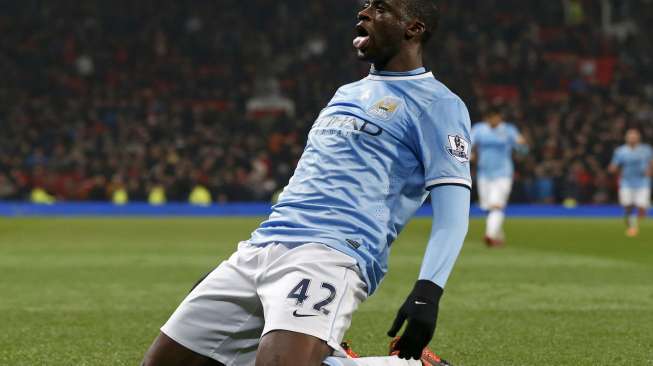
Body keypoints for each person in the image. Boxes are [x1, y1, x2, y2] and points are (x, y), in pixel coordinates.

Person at [142, 1, 471, 365]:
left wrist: (428, 291)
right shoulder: (346, 93)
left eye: (380, 8)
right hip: (263, 246)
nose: (363, 14)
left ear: (413, 28)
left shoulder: (439, 104)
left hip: (331, 253)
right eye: (364, 7)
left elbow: (452, 213)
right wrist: (243, 258)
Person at [470, 107, 528, 247]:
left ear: (499, 117)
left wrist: (522, 145)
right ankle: (498, 236)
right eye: (489, 118)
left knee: (496, 205)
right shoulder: (479, 129)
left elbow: (523, 149)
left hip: (503, 174)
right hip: (484, 173)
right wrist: (469, 155)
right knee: (488, 208)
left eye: (494, 117)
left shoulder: (508, 130)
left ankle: (489, 235)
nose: (492, 120)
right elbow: (468, 144)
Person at [608, 128, 653, 237]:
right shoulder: (620, 151)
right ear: (626, 138)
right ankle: (632, 226)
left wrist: (650, 171)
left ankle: (636, 225)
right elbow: (613, 166)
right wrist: (614, 169)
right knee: (627, 206)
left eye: (634, 136)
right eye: (630, 136)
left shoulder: (646, 150)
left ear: (638, 138)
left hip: (643, 182)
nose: (632, 138)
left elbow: (651, 162)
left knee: (642, 206)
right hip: (626, 182)